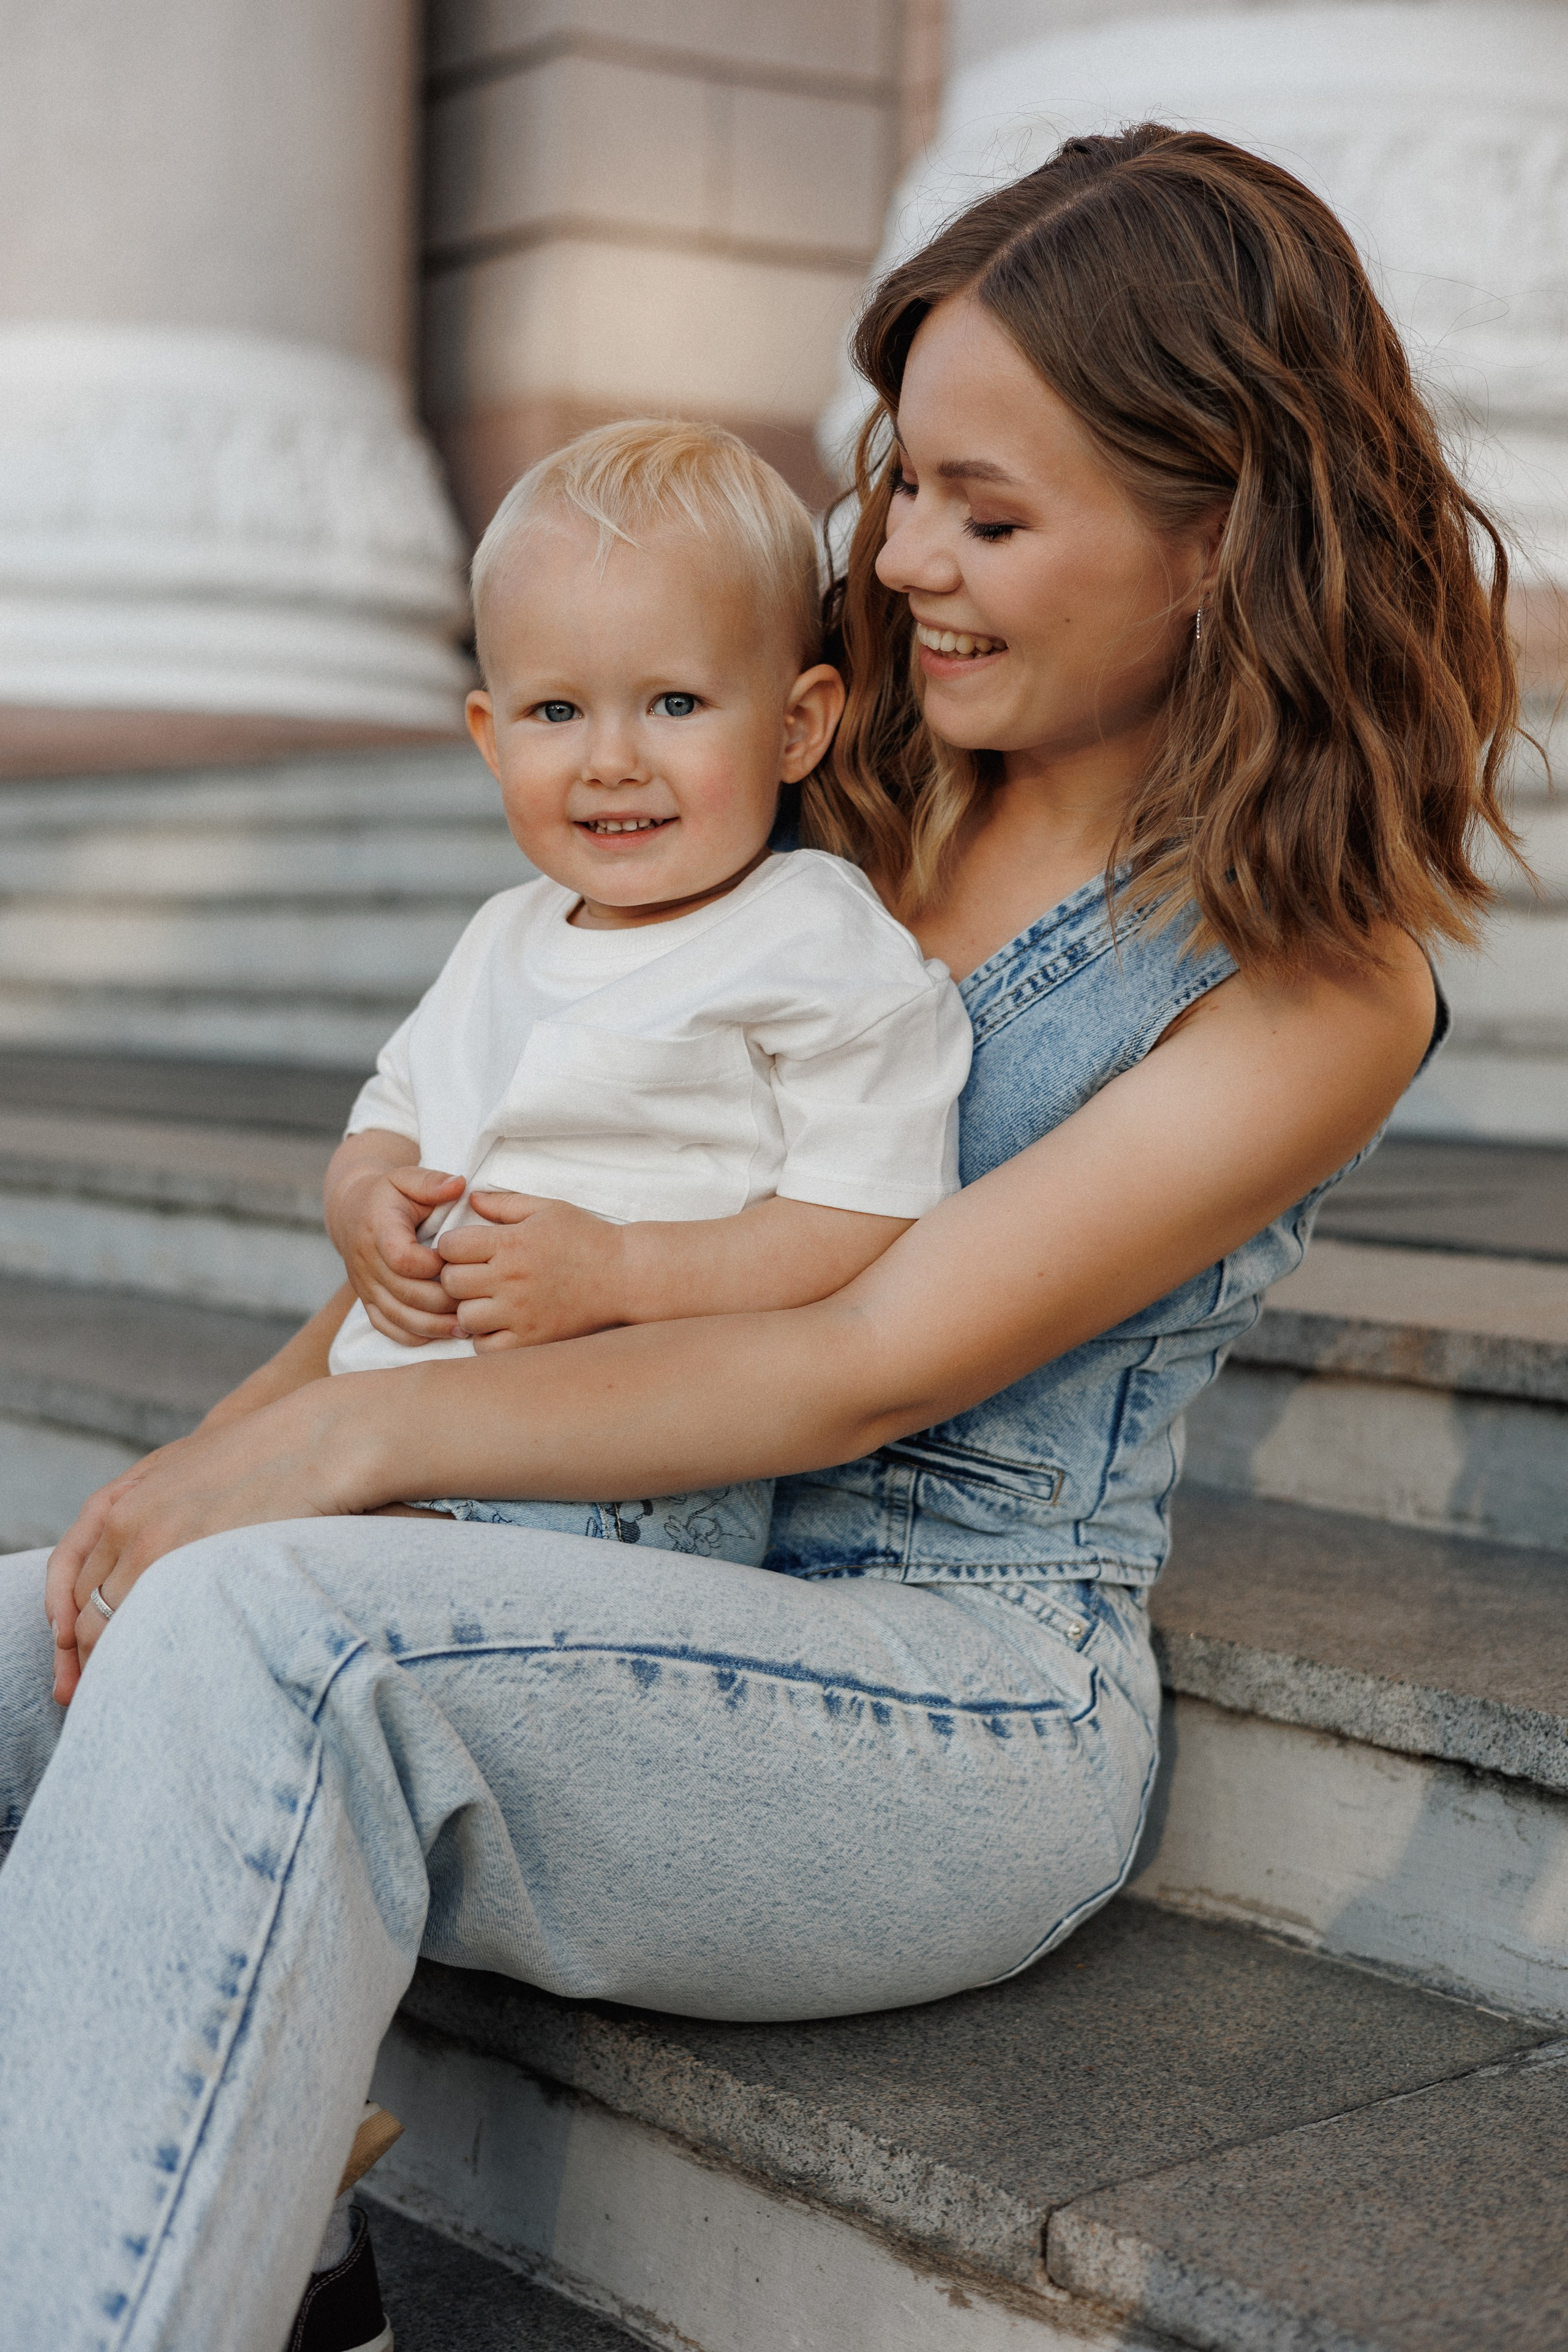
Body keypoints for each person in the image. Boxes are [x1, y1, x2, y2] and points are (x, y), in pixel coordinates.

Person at [0, 124, 1519, 2352]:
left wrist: (312, 1478)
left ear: (1224, 534)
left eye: (990, 516)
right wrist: (205, 1465)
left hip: (947, 1687)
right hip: (602, 1544)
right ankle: (269, 2217)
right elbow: (512, 1162)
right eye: (902, 481)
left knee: (271, 1645)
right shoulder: (841, 768)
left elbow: (869, 1354)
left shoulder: (1306, 976)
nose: (900, 558)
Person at [323, 417, 971, 1566]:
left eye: (674, 704)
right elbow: (390, 1122)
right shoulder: (498, 937)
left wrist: (622, 1271)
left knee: (249, 1598)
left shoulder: (810, 939)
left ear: (796, 726)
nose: (610, 759)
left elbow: (862, 1218)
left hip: (631, 1478)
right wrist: (363, 1208)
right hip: (409, 1435)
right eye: (557, 712)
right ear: (490, 734)